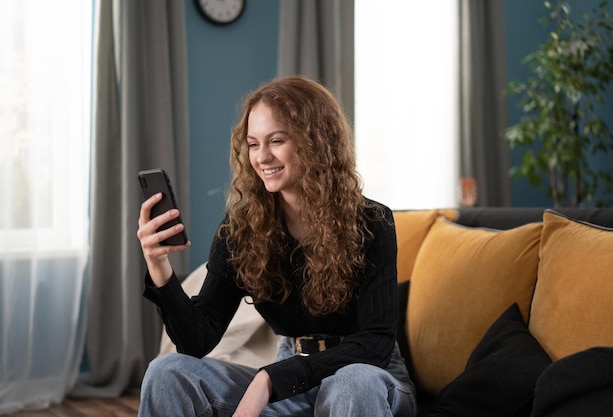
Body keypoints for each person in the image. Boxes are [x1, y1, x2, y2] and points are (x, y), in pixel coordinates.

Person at [136, 76, 417, 417]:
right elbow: (197, 339)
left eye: (277, 140)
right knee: (167, 372)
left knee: (351, 383)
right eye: (253, 144)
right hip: (290, 374)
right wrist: (159, 265)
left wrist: (269, 380)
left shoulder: (373, 222)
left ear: (316, 142)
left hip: (370, 375)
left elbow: (374, 342)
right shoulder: (242, 228)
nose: (262, 156)